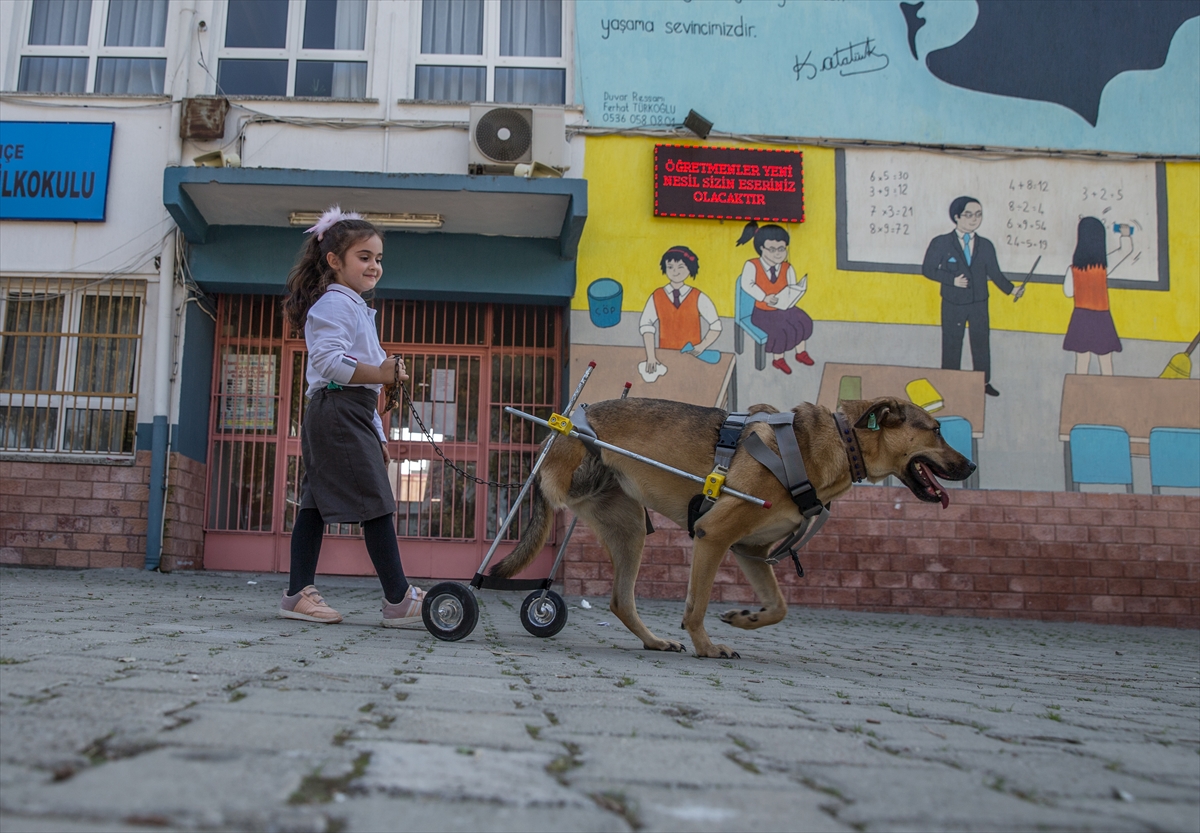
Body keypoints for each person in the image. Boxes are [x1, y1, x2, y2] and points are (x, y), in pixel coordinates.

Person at [278, 206, 424, 627]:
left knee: (316, 502)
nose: (374, 266)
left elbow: (369, 385)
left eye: (378, 258)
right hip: (337, 408)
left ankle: (296, 594)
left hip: (348, 411)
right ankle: (398, 599)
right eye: (364, 257)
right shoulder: (335, 304)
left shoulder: (354, 306)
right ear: (334, 261)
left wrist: (377, 432)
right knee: (376, 500)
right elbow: (328, 361)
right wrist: (380, 371)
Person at [921, 196, 1024, 396]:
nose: (974, 219)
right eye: (969, 215)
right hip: (953, 302)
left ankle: (983, 383)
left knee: (981, 342)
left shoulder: (985, 245)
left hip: (978, 302)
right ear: (957, 217)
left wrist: (1012, 289)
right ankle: (949, 381)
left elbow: (994, 273)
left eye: (978, 214)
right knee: (952, 342)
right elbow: (928, 269)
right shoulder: (941, 242)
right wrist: (952, 280)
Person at [735, 221, 813, 375]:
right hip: (763, 312)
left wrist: (794, 295)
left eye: (781, 249)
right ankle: (778, 359)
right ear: (761, 248)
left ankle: (800, 352)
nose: (777, 253)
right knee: (780, 330)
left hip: (784, 308)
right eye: (772, 249)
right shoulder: (752, 265)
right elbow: (747, 284)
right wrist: (764, 297)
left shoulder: (787, 267)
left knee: (803, 320)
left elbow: (790, 287)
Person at [1063, 217, 1134, 375]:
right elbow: (1125, 251)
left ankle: (1080, 393)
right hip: (1101, 316)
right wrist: (1126, 235)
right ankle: (1108, 394)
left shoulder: (1073, 270)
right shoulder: (1102, 268)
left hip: (1081, 317)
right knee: (1105, 360)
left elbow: (1068, 293)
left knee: (1081, 360)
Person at [640, 246, 722, 375]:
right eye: (670, 267)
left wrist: (702, 346)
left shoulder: (698, 296)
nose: (675, 271)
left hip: (692, 358)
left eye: (681, 267)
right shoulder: (657, 295)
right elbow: (646, 325)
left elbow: (716, 325)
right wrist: (651, 356)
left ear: (690, 268)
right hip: (665, 357)